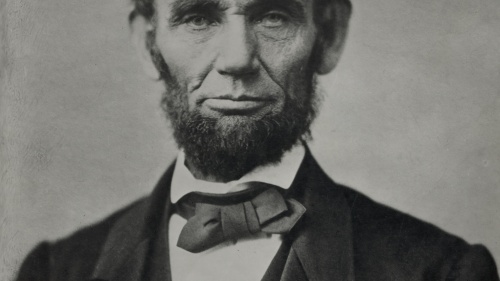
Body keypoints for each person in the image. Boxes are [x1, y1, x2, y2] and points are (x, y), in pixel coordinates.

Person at [15, 0, 499, 280]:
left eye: (273, 15)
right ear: (148, 44)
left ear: (328, 34)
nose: (237, 58)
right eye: (199, 16)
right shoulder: (56, 272)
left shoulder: (442, 273)